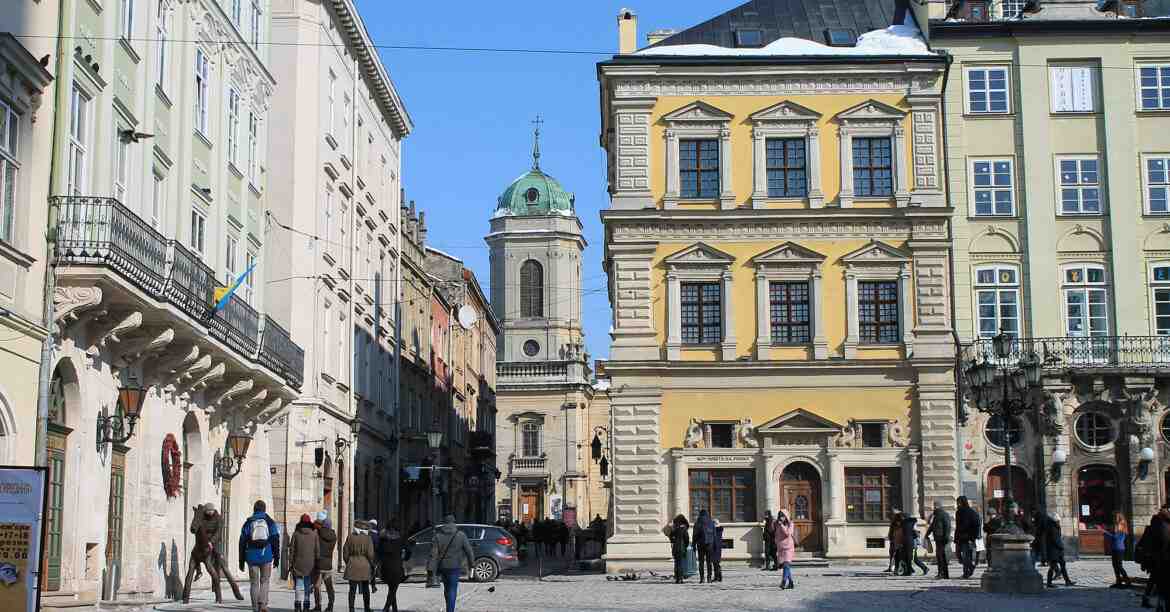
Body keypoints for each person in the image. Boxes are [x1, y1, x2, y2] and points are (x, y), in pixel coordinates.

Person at [238, 499, 281, 612]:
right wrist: (277, 557)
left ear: (254, 509)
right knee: (265, 581)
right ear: (264, 509)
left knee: (254, 583)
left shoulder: (248, 522)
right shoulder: (270, 522)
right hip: (266, 555)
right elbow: (275, 539)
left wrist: (241, 560)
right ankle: (263, 605)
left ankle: (255, 608)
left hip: (251, 557)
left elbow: (242, 542)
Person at [428, 515, 475, 612]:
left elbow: (433, 554)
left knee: (447, 589)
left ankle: (448, 608)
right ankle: (450, 610)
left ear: (444, 523)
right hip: (455, 566)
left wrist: (431, 569)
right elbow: (469, 551)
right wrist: (472, 564)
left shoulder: (437, 536)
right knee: (452, 589)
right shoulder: (460, 535)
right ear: (454, 522)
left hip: (442, 566)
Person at [288, 514, 320, 612]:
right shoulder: (314, 534)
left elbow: (292, 550)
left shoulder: (296, 534)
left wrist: (291, 563)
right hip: (310, 564)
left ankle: (297, 605)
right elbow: (317, 550)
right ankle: (306, 604)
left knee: (298, 584)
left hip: (298, 563)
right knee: (307, 585)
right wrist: (317, 562)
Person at [376, 519, 410, 612]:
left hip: (385, 567)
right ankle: (386, 608)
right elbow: (408, 550)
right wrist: (405, 558)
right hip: (396, 566)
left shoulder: (382, 538)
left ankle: (394, 609)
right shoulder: (401, 537)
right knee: (393, 589)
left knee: (392, 588)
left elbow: (378, 551)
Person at [343, 520, 376, 612]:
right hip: (365, 565)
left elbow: (345, 552)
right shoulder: (368, 538)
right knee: (366, 589)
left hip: (352, 564)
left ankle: (351, 609)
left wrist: (349, 562)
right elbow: (370, 554)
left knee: (352, 590)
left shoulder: (350, 537)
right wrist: (371, 563)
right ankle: (367, 608)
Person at [313, 512, 337, 612]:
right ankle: (330, 606)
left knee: (317, 586)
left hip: (319, 564)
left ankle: (318, 606)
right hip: (328, 565)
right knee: (329, 587)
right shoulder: (333, 536)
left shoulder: (318, 533)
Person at [1043, 513, 1075, 588]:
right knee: (1052, 567)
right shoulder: (1052, 527)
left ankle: (1067, 581)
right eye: (1058, 520)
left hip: (1057, 551)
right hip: (1054, 551)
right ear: (1055, 521)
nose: (1059, 521)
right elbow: (1055, 539)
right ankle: (1049, 583)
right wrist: (1061, 546)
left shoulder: (1055, 526)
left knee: (1063, 566)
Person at [954, 496, 981, 579]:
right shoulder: (959, 512)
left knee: (966, 556)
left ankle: (966, 572)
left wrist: (973, 537)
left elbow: (976, 524)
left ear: (962, 502)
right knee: (959, 555)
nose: (957, 504)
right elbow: (958, 526)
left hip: (967, 538)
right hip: (960, 537)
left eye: (958, 502)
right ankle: (970, 568)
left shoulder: (970, 512)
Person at [926, 501, 952, 579]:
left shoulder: (944, 514)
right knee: (940, 556)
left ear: (938, 506)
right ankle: (943, 574)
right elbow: (932, 526)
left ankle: (943, 574)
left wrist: (946, 537)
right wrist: (927, 534)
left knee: (941, 557)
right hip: (938, 538)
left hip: (942, 539)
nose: (933, 507)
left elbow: (947, 527)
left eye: (934, 506)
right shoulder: (936, 515)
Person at [692, 509, 716, 584]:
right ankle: (709, 578)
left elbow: (695, 535)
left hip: (700, 544)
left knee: (701, 562)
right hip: (709, 544)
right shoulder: (711, 523)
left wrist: (693, 544)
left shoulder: (698, 523)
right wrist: (715, 545)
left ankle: (702, 578)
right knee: (709, 562)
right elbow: (714, 535)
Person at [774, 510, 796, 590]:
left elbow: (787, 533)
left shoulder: (790, 524)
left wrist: (782, 526)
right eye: (780, 516)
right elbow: (776, 535)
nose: (781, 518)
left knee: (786, 565)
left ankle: (783, 582)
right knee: (785, 566)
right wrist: (776, 543)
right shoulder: (778, 525)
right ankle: (791, 583)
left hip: (788, 547)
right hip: (781, 548)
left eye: (783, 516)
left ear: (786, 516)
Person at [668, 514, 690, 584]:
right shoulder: (683, 529)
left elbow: (671, 538)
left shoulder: (674, 529)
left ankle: (677, 578)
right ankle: (680, 578)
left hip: (675, 548)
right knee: (680, 564)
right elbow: (687, 539)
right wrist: (685, 546)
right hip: (681, 548)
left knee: (676, 563)